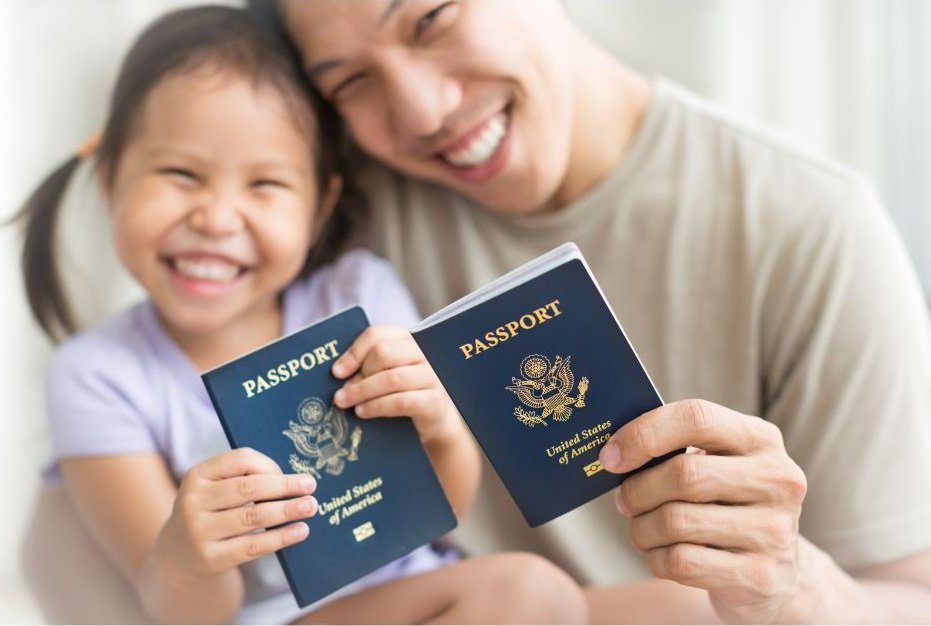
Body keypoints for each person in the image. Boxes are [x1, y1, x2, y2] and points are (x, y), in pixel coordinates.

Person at [276, 1, 931, 623]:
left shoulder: (811, 226)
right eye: (352, 81)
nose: (422, 113)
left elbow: (914, 599)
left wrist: (792, 588)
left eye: (431, 17)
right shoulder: (315, 209)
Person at [15, 6, 587, 624]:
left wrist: (441, 428)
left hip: (426, 588)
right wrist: (186, 556)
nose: (216, 217)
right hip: (275, 616)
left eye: (265, 186)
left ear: (319, 209)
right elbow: (185, 613)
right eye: (181, 174)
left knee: (680, 605)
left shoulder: (358, 294)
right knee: (530, 593)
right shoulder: (97, 374)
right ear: (109, 182)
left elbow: (434, 516)